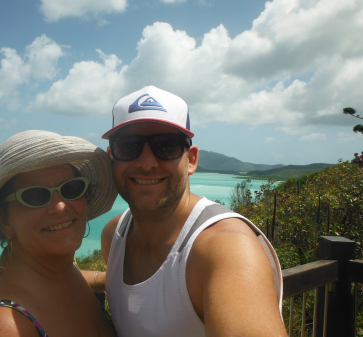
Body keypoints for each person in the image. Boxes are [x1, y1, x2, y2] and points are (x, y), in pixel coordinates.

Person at [99, 86, 287, 336]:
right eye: (128, 146)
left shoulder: (225, 248)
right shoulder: (115, 235)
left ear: (191, 160)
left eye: (166, 146)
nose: (146, 163)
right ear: (112, 158)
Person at [0, 130, 117, 337]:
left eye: (71, 188)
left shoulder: (58, 269)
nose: (59, 206)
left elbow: (61, 280)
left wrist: (110, 279)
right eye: (35, 195)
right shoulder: (4, 327)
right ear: (5, 220)